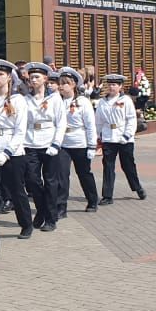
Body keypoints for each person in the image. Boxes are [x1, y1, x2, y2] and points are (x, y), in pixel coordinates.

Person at [0, 58, 31, 238]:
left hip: (12, 151)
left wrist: (7, 152)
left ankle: (26, 224)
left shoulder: (18, 100)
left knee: (16, 191)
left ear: (9, 78)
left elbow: (20, 130)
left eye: (0, 74)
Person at [18, 62, 65, 231]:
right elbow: (22, 123)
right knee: (32, 181)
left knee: (51, 182)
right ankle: (41, 210)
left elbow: (61, 123)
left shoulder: (55, 99)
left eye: (37, 77)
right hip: (30, 143)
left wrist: (56, 143)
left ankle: (51, 218)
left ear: (45, 79)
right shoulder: (25, 99)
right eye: (31, 78)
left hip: (49, 143)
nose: (34, 80)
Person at [95, 75, 146, 205]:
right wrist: (98, 135)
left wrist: (127, 135)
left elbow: (131, 119)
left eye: (114, 85)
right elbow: (98, 121)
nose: (111, 87)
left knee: (128, 165)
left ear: (120, 87)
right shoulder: (102, 102)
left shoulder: (126, 100)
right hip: (108, 137)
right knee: (108, 166)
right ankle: (107, 195)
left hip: (123, 137)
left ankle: (137, 187)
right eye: (110, 84)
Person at [56, 68, 99, 214]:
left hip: (80, 142)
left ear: (73, 84)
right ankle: (61, 207)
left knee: (84, 173)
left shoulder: (82, 102)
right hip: (63, 143)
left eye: (65, 83)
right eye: (60, 83)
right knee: (61, 175)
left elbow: (90, 125)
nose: (61, 86)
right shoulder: (57, 102)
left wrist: (92, 145)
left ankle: (92, 200)